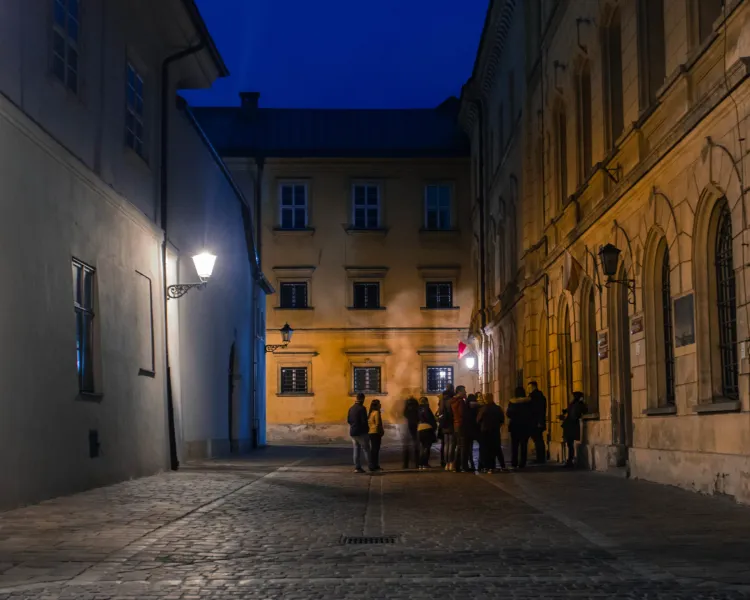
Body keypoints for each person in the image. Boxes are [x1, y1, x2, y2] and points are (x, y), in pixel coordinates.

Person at [477, 393, 506, 473]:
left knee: (486, 450)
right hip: (495, 431)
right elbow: (502, 419)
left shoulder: (483, 409)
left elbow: (478, 420)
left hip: (485, 431)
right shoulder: (497, 408)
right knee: (497, 449)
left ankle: (488, 467)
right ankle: (502, 465)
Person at [506, 386, 534, 469]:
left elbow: (508, 413)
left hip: (515, 425)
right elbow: (531, 413)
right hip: (525, 426)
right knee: (524, 445)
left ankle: (514, 462)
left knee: (514, 445)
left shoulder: (512, 402)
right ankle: (523, 462)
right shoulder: (528, 402)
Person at [561, 391, 588, 467]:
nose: (571, 397)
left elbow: (580, 412)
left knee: (570, 444)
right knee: (569, 444)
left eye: (572, 396)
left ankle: (570, 460)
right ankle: (569, 460)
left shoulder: (578, 404)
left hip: (571, 425)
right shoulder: (573, 404)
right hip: (569, 425)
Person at [347, 393, 371, 473]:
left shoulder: (351, 408)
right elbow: (364, 421)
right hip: (361, 432)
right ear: (362, 399)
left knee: (356, 449)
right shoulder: (362, 408)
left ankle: (357, 467)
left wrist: (354, 425)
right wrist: (367, 430)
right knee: (366, 449)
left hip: (353, 432)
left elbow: (349, 420)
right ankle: (371, 466)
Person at [450, 386, 468, 472]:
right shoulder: (460, 401)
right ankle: (463, 466)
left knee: (459, 446)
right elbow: (462, 413)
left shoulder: (453, 401)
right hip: (461, 424)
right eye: (464, 391)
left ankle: (456, 466)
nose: (465, 392)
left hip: (456, 424)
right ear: (459, 392)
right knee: (463, 446)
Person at [528, 381, 547, 464]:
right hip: (539, 421)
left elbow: (537, 410)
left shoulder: (534, 397)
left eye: (529, 387)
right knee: (539, 439)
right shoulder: (541, 396)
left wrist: (539, 421)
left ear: (533, 387)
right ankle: (541, 457)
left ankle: (540, 458)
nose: (528, 389)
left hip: (535, 422)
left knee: (538, 440)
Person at [416, 397, 437, 469]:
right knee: (427, 447)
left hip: (419, 429)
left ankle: (420, 464)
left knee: (422, 447)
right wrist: (434, 426)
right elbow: (430, 419)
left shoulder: (418, 409)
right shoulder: (427, 408)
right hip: (427, 428)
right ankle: (425, 463)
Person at [438, 386, 454, 469]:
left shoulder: (441, 402)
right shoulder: (451, 402)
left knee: (446, 444)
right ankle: (450, 463)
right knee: (451, 444)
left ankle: (446, 463)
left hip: (444, 425)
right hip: (450, 424)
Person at [402, 397, 420, 469]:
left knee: (407, 446)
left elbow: (405, 414)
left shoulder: (407, 409)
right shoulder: (416, 409)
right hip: (415, 426)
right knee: (416, 445)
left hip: (409, 426)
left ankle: (406, 464)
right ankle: (417, 463)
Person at [464, 393, 480, 472]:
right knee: (482, 447)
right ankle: (480, 464)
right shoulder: (478, 407)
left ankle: (469, 465)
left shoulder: (465, 407)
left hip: (467, 429)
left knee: (468, 449)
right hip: (476, 429)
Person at [368, 399, 384, 471]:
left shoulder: (371, 413)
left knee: (373, 450)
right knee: (376, 450)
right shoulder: (377, 413)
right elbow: (378, 424)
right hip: (376, 432)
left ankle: (373, 465)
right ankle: (374, 465)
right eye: (379, 404)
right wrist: (380, 432)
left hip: (371, 432)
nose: (380, 405)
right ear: (377, 405)